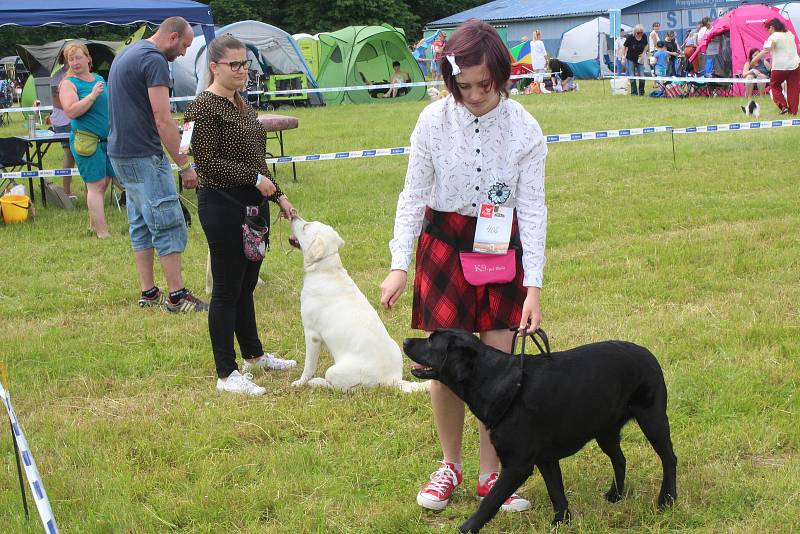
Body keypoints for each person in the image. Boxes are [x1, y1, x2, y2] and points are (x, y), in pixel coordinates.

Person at [380, 18, 547, 514]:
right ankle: (449, 464)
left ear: (502, 74)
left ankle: (491, 473)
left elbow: (533, 208)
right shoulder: (433, 121)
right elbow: (413, 195)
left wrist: (533, 285)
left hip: (500, 247)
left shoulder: (525, 129)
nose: (473, 94)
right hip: (444, 248)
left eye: (484, 84)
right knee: (445, 366)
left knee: (498, 362)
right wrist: (398, 265)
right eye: (463, 85)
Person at [184, 35, 297, 396]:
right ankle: (226, 373)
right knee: (226, 290)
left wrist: (277, 194)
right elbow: (207, 162)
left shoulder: (242, 104)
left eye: (245, 64)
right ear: (213, 67)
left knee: (247, 284)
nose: (242, 71)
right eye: (234, 65)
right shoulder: (203, 107)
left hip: (254, 205)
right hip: (221, 204)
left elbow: (256, 159)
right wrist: (255, 179)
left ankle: (253, 354)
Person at [107, 16, 208, 311]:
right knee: (167, 221)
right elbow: (161, 118)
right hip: (143, 154)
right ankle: (177, 297)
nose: (184, 54)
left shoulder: (129, 52)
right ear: (173, 37)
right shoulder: (154, 61)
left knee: (140, 220)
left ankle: (149, 293)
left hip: (120, 152)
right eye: (185, 46)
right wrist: (186, 166)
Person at [58, 42, 114, 238]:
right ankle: (102, 232)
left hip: (106, 141)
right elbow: (71, 111)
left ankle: (93, 225)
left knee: (104, 183)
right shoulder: (68, 84)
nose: (74, 62)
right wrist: (91, 96)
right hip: (86, 141)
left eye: (78, 57)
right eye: (70, 59)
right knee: (95, 186)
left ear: (88, 58)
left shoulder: (98, 78)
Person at [751, 18, 800, 115]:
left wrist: (754, 59)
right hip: (795, 65)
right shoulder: (790, 34)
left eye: (768, 29)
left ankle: (783, 106)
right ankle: (793, 112)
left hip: (780, 67)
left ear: (772, 27)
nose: (768, 32)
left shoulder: (774, 36)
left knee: (774, 86)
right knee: (793, 89)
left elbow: (766, 51)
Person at [49, 58, 75, 198]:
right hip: (63, 121)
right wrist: (75, 106)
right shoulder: (57, 76)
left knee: (81, 156)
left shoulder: (79, 74)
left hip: (76, 118)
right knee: (70, 156)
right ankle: (66, 191)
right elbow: (56, 101)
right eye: (70, 57)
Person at [624, 24, 648, 95]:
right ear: (635, 32)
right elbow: (624, 47)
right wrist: (623, 56)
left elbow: (646, 45)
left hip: (640, 59)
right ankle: (634, 93)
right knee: (632, 75)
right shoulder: (630, 37)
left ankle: (641, 92)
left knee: (642, 76)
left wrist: (644, 53)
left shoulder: (644, 36)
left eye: (641, 32)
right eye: (638, 33)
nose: (640, 34)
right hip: (631, 58)